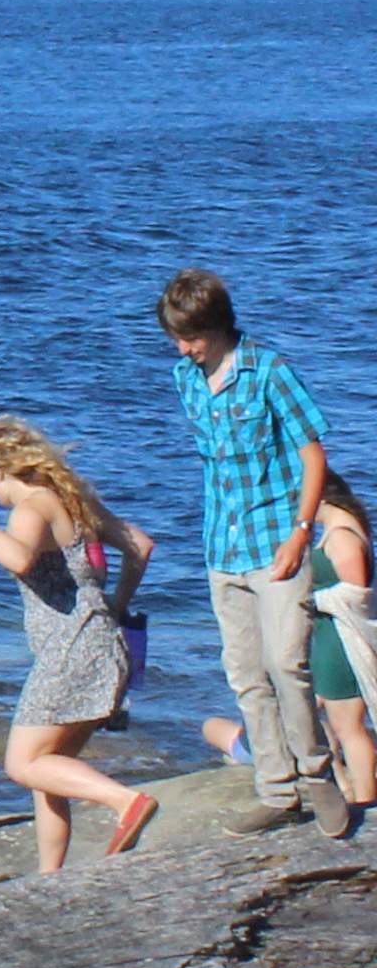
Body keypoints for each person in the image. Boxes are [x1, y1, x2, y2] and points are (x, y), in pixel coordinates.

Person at [0, 420, 155, 870]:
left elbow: (20, 557)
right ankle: (49, 879)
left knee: (22, 763)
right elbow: (140, 546)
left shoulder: (31, 507)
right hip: (104, 644)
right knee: (50, 772)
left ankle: (125, 801)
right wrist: (117, 607)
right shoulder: (73, 499)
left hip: (71, 652)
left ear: (0, 471)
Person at [158, 268, 343, 832]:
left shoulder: (270, 371)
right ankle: (275, 789)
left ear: (219, 326)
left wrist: (301, 533)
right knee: (244, 673)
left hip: (276, 541)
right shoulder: (185, 378)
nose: (184, 350)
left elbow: (314, 456)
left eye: (192, 338)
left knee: (287, 663)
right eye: (176, 339)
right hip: (222, 545)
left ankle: (317, 774)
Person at [207, 468, 377, 822]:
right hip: (325, 636)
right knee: (318, 716)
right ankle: (342, 787)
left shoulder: (342, 533)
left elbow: (356, 591)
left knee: (349, 726)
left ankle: (364, 799)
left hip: (338, 641)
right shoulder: (335, 530)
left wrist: (304, 599)